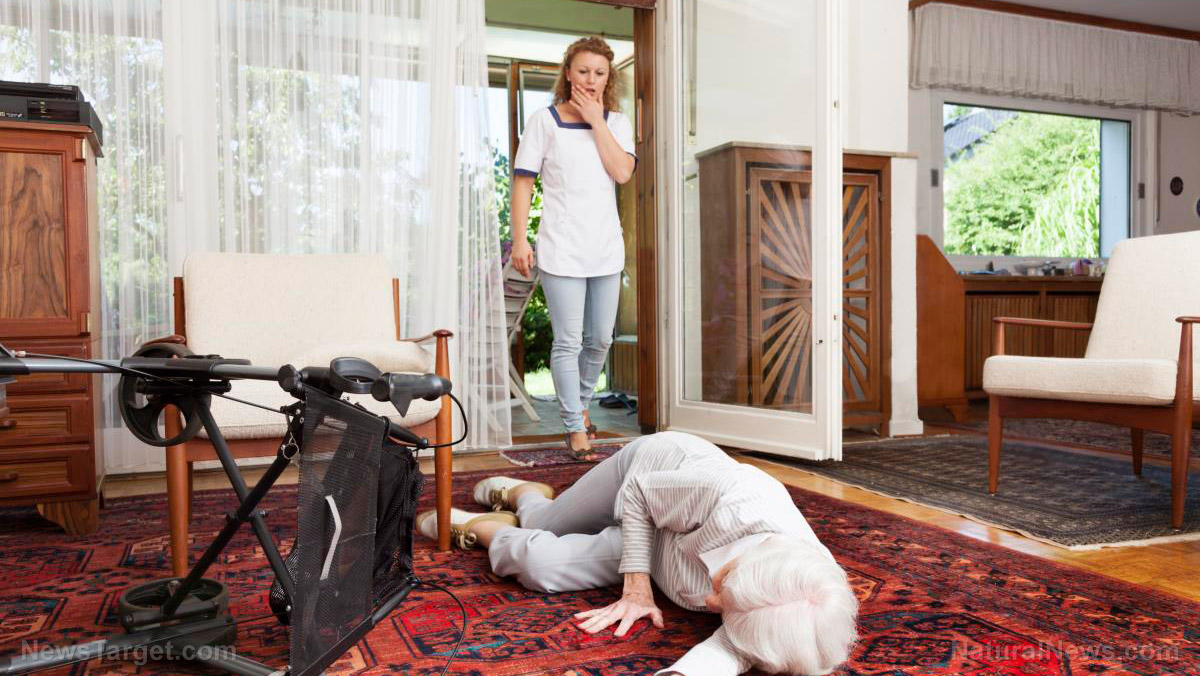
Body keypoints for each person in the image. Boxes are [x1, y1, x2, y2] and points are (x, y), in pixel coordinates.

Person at [416, 432, 859, 675]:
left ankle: (484, 529)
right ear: (742, 563)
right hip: (647, 477)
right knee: (543, 526)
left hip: (665, 548)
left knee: (540, 567)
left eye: (724, 609)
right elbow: (640, 495)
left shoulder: (798, 603)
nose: (709, 604)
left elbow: (739, 644)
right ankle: (527, 496)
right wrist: (636, 589)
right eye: (722, 589)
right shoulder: (734, 497)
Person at [508, 35, 637, 461]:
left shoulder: (617, 122)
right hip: (561, 247)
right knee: (568, 341)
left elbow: (622, 172)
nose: (591, 79)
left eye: (599, 73)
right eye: (583, 71)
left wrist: (597, 120)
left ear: (608, 78)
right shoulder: (544, 121)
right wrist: (521, 238)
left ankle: (579, 405)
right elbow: (523, 183)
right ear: (568, 73)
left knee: (599, 339)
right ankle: (574, 426)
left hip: (605, 248)